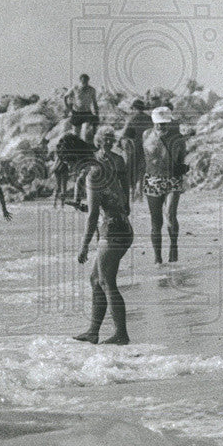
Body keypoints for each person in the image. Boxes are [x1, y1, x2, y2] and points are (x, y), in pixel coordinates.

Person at [73, 126, 133, 345]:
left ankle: (121, 334)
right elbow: (111, 201)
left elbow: (93, 215)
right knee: (96, 280)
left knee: (107, 282)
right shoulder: (108, 167)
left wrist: (83, 246)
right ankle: (93, 331)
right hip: (122, 227)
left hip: (112, 230)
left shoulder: (93, 174)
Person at [143, 106, 188, 264]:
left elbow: (182, 159)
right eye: (159, 124)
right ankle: (157, 258)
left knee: (170, 214)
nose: (162, 127)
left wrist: (181, 171)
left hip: (172, 180)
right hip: (152, 179)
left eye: (165, 123)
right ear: (154, 123)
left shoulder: (178, 138)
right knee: (156, 221)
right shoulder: (146, 135)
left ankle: (173, 246)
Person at [121, 99, 153, 200]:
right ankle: (140, 192)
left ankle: (132, 193)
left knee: (130, 170)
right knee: (142, 170)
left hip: (134, 146)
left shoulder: (132, 118)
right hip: (147, 146)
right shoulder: (149, 118)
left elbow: (125, 134)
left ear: (134, 108)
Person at [64, 74, 99, 143]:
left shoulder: (91, 90)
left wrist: (96, 112)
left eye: (86, 81)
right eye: (83, 81)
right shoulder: (75, 88)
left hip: (87, 112)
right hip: (77, 112)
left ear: (88, 81)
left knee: (87, 130)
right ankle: (76, 147)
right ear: (80, 80)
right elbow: (65, 97)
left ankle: (87, 146)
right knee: (76, 132)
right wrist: (68, 108)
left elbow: (94, 102)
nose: (85, 83)